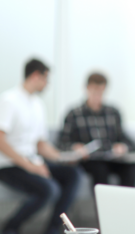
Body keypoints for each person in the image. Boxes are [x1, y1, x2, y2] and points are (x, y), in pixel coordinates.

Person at [0, 59, 81, 234]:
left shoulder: (37, 105)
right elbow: (0, 141)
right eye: (46, 79)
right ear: (36, 76)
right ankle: (10, 227)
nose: (47, 84)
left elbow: (41, 145)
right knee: (50, 189)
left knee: (73, 174)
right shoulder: (9, 100)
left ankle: (53, 230)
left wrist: (64, 157)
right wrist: (31, 167)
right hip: (9, 165)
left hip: (33, 161)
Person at [58, 73, 135, 187]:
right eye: (94, 91)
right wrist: (75, 147)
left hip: (111, 158)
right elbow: (62, 143)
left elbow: (125, 139)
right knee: (100, 169)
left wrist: (122, 147)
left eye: (101, 92)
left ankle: (125, 204)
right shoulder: (74, 114)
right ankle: (103, 205)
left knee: (131, 168)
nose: (97, 95)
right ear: (87, 88)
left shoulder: (113, 113)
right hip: (89, 160)